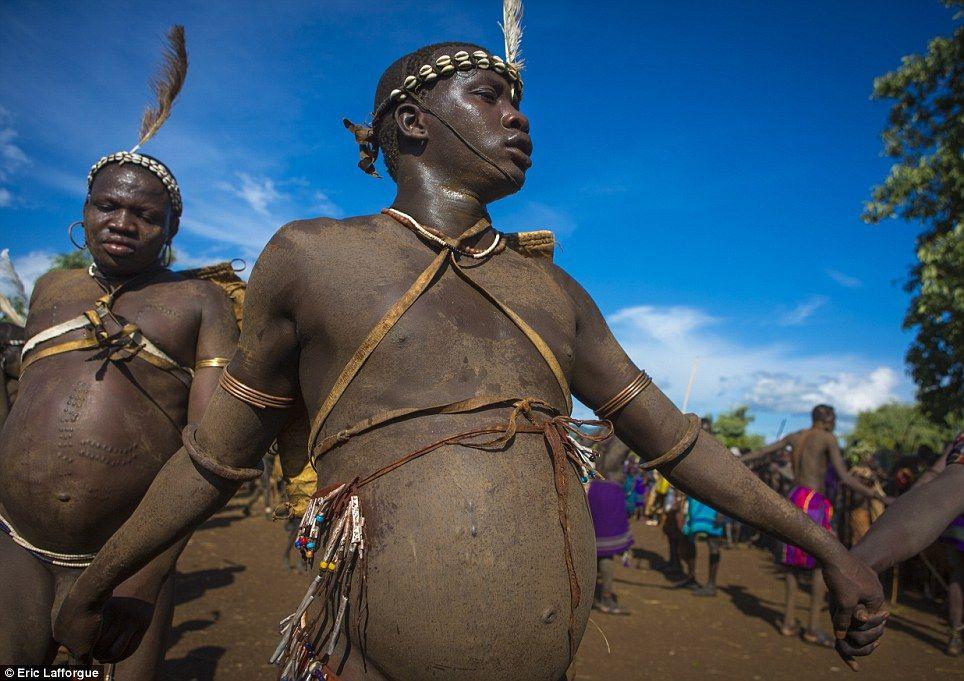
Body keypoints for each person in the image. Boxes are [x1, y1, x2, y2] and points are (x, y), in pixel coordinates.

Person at [55, 16, 885, 679]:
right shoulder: (314, 257)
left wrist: (827, 547)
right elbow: (213, 455)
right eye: (490, 96)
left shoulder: (554, 291)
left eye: (514, 101)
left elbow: (678, 442)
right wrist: (107, 575)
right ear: (412, 121)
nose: (518, 116)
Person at [0, 27, 240, 676]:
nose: (122, 222)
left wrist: (149, 571)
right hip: (16, 545)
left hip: (126, 561)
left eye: (144, 214)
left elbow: (214, 447)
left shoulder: (199, 302)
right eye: (107, 206)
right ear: (84, 209)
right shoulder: (51, 289)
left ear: (171, 228)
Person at [743, 404, 891, 647]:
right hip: (814, 502)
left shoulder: (796, 436)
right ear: (828, 419)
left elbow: (762, 452)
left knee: (790, 564)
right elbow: (844, 477)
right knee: (822, 564)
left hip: (793, 498)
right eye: (833, 420)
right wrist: (879, 497)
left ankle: (788, 622)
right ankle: (812, 627)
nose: (834, 424)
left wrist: (736, 458)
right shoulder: (827, 438)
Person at [840, 433, 964, 660]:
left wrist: (854, 565)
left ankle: (956, 634)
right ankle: (956, 634)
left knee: (958, 577)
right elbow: (939, 486)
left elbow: (936, 482)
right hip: (953, 518)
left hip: (953, 521)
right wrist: (853, 567)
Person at [589, 437, 633, 614]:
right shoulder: (624, 436)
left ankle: (590, 596)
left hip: (596, 490)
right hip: (610, 493)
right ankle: (606, 599)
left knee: (595, 547)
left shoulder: (602, 432)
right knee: (606, 552)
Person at [682, 496, 725, 597]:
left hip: (713, 505)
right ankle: (691, 578)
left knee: (713, 544)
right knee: (688, 539)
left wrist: (721, 510)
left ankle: (711, 585)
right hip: (694, 503)